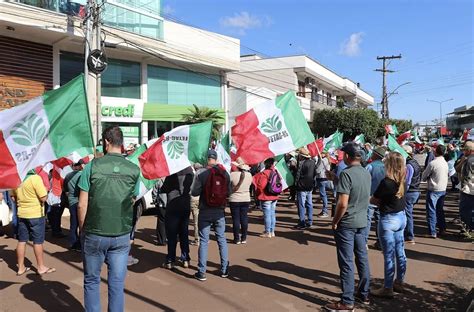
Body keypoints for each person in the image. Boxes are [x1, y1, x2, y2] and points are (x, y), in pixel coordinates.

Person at [78, 126, 140, 312]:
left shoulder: (91, 167)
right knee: (116, 283)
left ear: (106, 142)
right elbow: (132, 199)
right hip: (121, 233)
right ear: (121, 143)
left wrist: (83, 229)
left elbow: (82, 204)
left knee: (91, 280)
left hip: (95, 231)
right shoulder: (134, 169)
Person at [325, 142, 371, 311]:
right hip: (361, 221)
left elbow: (343, 204)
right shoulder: (365, 172)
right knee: (362, 258)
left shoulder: (346, 173)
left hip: (347, 223)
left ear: (347, 156)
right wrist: (334, 178)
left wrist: (335, 221)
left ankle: (347, 301)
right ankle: (364, 294)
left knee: (346, 263)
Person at [370, 152, 408, 298]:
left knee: (389, 255)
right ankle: (399, 281)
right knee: (400, 252)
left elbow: (374, 199)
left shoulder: (386, 182)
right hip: (401, 217)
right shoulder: (402, 179)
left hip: (388, 219)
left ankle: (387, 288)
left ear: (389, 164)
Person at [191, 150, 231, 281]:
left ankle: (202, 272)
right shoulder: (224, 173)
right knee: (221, 238)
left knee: (203, 241)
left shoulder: (201, 173)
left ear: (206, 158)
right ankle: (224, 269)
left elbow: (195, 192)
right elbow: (228, 192)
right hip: (219, 211)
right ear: (216, 158)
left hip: (205, 210)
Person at [11, 172, 56, 276]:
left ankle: (21, 267)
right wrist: (45, 190)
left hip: (22, 214)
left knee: (21, 241)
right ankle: (41, 267)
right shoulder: (35, 178)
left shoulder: (16, 178)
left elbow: (13, 198)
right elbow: (43, 198)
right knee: (38, 242)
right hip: (35, 214)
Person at [161, 166, 194, 269]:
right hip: (185, 204)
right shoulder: (190, 172)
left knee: (172, 234)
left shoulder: (172, 171)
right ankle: (185, 258)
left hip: (173, 204)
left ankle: (170, 260)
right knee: (184, 232)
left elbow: (164, 189)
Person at [422, 144, 449, 238]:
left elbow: (424, 177)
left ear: (436, 152)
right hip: (442, 189)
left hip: (433, 189)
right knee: (440, 210)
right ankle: (442, 229)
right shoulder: (445, 162)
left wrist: (428, 177)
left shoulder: (433, 163)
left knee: (431, 211)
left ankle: (432, 232)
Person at [365, 146, 386, 247]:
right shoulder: (386, 167)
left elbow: (364, 180)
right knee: (379, 220)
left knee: (367, 219)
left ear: (376, 155)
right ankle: (380, 241)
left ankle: (364, 242)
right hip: (382, 197)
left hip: (370, 196)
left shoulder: (370, 166)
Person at [253, 158, 280, 238]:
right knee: (272, 214)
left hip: (266, 196)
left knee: (267, 215)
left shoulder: (264, 173)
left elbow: (261, 185)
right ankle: (272, 231)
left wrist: (258, 194)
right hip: (274, 195)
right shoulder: (275, 172)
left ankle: (267, 232)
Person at [229, 158, 252, 244]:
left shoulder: (232, 175)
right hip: (245, 198)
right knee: (244, 218)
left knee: (236, 219)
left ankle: (236, 238)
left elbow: (228, 186)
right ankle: (244, 237)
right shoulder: (249, 175)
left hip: (234, 199)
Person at [63, 160, 85, 251]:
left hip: (72, 202)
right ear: (80, 166)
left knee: (74, 223)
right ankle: (81, 243)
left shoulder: (68, 176)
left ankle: (72, 243)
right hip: (81, 201)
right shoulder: (82, 175)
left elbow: (66, 190)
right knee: (82, 223)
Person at [403, 145, 422, 244]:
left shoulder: (409, 165)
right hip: (415, 191)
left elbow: (408, 181)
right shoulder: (415, 163)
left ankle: (409, 236)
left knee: (408, 214)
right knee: (408, 213)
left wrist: (403, 192)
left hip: (411, 192)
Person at [294, 148, 317, 229]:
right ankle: (310, 221)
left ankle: (302, 222)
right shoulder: (313, 162)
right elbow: (315, 173)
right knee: (309, 204)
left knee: (301, 205)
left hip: (301, 186)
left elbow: (298, 175)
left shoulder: (301, 163)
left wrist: (296, 184)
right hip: (310, 185)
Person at [456, 141, 474, 235]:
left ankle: (466, 229)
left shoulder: (468, 161)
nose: (463, 152)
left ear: (469, 150)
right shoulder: (467, 159)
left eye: (465, 150)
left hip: (467, 190)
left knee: (465, 210)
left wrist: (462, 187)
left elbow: (465, 176)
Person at [190, 163, 204, 246]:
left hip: (194, 199)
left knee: (196, 221)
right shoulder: (204, 175)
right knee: (201, 219)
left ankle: (197, 239)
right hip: (201, 199)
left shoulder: (193, 176)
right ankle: (202, 237)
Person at [315, 151, 331, 218]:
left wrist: (316, 165)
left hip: (321, 178)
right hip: (325, 178)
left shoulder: (323, 160)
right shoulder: (327, 159)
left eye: (321, 153)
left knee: (323, 195)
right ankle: (324, 210)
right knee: (323, 195)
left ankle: (325, 211)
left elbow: (317, 170)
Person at [152, 179, 167, 246]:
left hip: (161, 204)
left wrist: (155, 201)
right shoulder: (172, 177)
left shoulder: (158, 180)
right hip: (172, 203)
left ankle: (161, 240)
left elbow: (154, 192)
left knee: (161, 222)